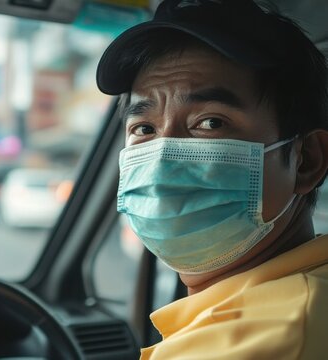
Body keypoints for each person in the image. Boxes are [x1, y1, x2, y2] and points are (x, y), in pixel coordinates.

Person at [96, 0, 328, 358]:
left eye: (210, 123)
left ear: (307, 160)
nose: (163, 160)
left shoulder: (264, 337)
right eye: (144, 128)